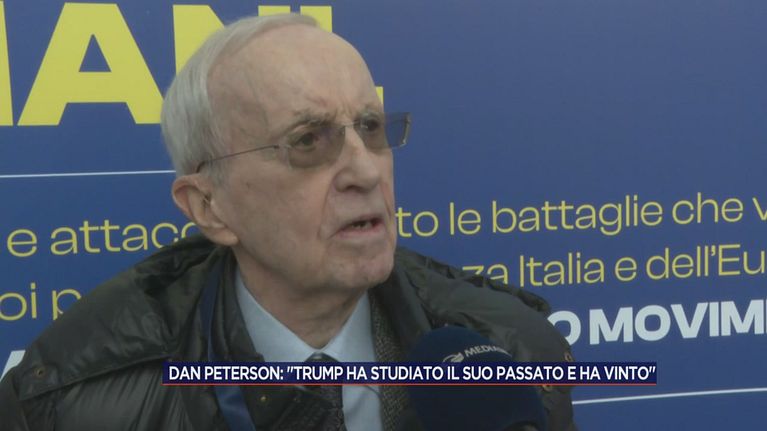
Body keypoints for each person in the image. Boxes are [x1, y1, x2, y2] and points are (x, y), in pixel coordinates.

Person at [0, 13, 577, 431]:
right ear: (210, 207)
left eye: (370, 127)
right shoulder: (70, 403)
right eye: (307, 140)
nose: (365, 171)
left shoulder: (514, 353)